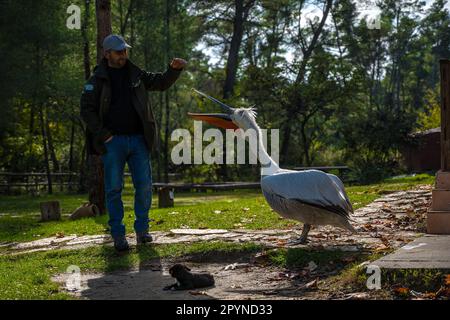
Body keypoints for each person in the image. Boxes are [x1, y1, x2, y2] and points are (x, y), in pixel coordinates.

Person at [80, 34, 187, 252]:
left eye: (125, 51)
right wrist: (104, 135)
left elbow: (160, 82)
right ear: (107, 53)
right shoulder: (95, 80)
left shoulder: (136, 74)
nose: (123, 55)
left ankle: (142, 231)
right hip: (112, 143)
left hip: (139, 140)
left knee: (145, 186)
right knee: (113, 189)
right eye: (119, 51)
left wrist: (174, 69)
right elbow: (87, 111)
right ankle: (118, 235)